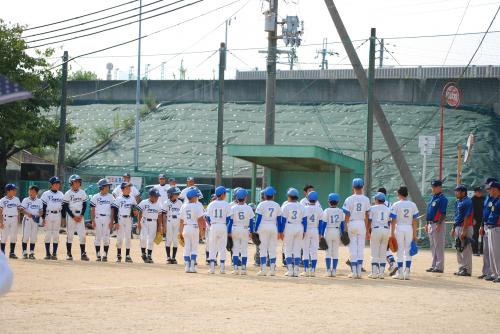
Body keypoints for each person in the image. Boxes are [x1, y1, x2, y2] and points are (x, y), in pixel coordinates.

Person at [342, 178, 370, 279]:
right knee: (360, 248)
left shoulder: (349, 199)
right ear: (362, 187)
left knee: (352, 248)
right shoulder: (366, 199)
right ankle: (359, 272)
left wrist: (345, 226)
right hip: (361, 223)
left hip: (352, 223)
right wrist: (366, 229)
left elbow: (347, 214)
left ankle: (354, 272)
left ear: (353, 187)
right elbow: (367, 215)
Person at [390, 186, 419, 280]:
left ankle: (400, 273)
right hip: (409, 228)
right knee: (408, 250)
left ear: (399, 194)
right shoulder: (413, 205)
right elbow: (415, 221)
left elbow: (393, 220)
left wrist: (392, 233)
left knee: (399, 250)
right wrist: (415, 234)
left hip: (399, 228)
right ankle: (407, 272)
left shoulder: (396, 204)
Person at [255, 186, 282, 276]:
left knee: (263, 248)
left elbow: (258, 219)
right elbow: (279, 220)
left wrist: (255, 229)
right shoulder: (277, 205)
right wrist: (280, 231)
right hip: (273, 227)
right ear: (273, 196)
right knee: (272, 249)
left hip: (263, 226)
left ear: (265, 196)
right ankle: (272, 270)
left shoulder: (261, 204)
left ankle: (263, 270)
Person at [62, 175, 89, 261]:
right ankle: (69, 254)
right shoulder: (68, 193)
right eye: (75, 181)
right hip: (71, 216)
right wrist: (73, 216)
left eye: (78, 181)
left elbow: (84, 205)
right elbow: (65, 206)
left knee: (82, 235)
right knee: (70, 235)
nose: (77, 183)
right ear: (71, 183)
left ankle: (83, 254)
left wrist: (81, 215)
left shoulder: (82, 192)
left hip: (80, 216)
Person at [281, 188, 306, 277]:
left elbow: (283, 220)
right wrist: (305, 230)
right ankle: (296, 270)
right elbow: (305, 220)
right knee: (297, 249)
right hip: (299, 227)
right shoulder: (301, 206)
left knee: (288, 249)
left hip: (289, 227)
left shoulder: (285, 206)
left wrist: (280, 231)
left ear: (289, 196)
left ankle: (290, 270)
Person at [228, 188, 254, 275]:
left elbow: (230, 222)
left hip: (235, 229)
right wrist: (252, 232)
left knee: (235, 249)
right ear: (245, 197)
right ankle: (243, 269)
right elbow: (251, 222)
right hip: (245, 229)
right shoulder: (249, 208)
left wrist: (228, 232)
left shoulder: (233, 208)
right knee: (244, 250)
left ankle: (235, 269)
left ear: (236, 198)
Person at [179, 188, 205, 273]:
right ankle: (193, 267)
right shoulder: (197, 206)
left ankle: (187, 266)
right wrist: (202, 232)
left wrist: (180, 232)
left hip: (186, 228)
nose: (197, 198)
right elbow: (201, 220)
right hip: (194, 228)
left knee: (187, 247)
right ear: (193, 197)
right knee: (194, 247)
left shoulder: (184, 206)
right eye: (196, 197)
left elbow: (181, 221)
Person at [206, 186, 231, 274]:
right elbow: (228, 218)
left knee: (212, 247)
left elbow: (207, 217)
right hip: (223, 225)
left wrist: (211, 224)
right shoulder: (226, 204)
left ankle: (212, 268)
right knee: (222, 247)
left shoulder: (211, 204)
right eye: (225, 193)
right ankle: (222, 268)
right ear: (223, 194)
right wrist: (224, 224)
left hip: (214, 226)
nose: (225, 195)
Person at [425, 179, 448, 274]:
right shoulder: (433, 197)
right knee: (433, 246)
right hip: (431, 224)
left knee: (438, 246)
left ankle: (439, 267)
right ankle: (434, 265)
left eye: (434, 187)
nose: (432, 188)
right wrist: (427, 224)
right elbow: (429, 212)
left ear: (439, 187)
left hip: (438, 224)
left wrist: (439, 224)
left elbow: (443, 213)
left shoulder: (442, 198)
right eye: (432, 187)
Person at [135, 189, 163, 264]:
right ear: (151, 196)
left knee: (151, 240)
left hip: (154, 222)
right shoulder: (144, 202)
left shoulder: (159, 204)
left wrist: (159, 226)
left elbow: (160, 216)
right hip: (144, 221)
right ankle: (143, 253)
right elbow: (139, 212)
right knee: (143, 238)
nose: (157, 198)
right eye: (156, 196)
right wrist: (138, 222)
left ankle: (149, 255)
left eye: (157, 196)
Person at [368, 192, 391, 279]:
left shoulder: (372, 208)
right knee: (383, 252)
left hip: (376, 229)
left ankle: (374, 273)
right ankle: (381, 273)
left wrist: (367, 231)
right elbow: (389, 222)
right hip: (386, 229)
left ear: (377, 200)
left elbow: (369, 220)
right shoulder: (388, 209)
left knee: (374, 252)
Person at [112, 182, 137, 263]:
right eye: (127, 188)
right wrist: (116, 222)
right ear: (122, 189)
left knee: (128, 238)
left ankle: (127, 255)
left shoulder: (132, 198)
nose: (129, 189)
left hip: (129, 219)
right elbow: (115, 211)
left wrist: (135, 212)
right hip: (120, 219)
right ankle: (118, 255)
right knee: (119, 237)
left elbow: (134, 210)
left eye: (129, 188)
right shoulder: (119, 199)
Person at [452, 184, 473, 277]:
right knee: (458, 247)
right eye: (456, 191)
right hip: (458, 226)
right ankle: (461, 268)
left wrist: (464, 231)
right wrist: (453, 228)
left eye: (458, 191)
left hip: (465, 227)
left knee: (466, 249)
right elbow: (457, 216)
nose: (456, 192)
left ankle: (467, 269)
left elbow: (467, 217)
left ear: (463, 192)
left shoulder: (467, 201)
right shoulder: (458, 201)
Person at [321, 193, 344, 277]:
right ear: (338, 202)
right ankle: (334, 270)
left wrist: (321, 234)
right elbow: (342, 224)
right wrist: (342, 233)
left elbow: (324, 223)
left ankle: (328, 271)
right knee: (335, 252)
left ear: (328, 201)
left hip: (328, 231)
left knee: (328, 252)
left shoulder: (326, 210)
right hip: (337, 231)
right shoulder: (340, 211)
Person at [90, 179, 113, 262]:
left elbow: (113, 210)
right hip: (98, 218)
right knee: (98, 237)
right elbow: (92, 210)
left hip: (107, 218)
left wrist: (112, 221)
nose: (108, 187)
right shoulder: (95, 197)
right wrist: (93, 221)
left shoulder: (111, 197)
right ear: (102, 187)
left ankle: (105, 254)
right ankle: (98, 254)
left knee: (106, 237)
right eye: (107, 186)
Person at [41, 177, 64, 260]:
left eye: (58, 183)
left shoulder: (61, 194)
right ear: (51, 184)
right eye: (55, 183)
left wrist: (63, 218)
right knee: (48, 234)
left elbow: (63, 207)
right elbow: (43, 206)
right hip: (48, 215)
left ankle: (54, 253)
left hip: (58, 214)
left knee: (56, 234)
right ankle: (47, 253)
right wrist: (43, 218)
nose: (57, 185)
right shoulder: (46, 194)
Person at [302, 191, 323, 277]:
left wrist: (303, 231)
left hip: (307, 230)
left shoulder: (305, 208)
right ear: (316, 199)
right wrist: (320, 233)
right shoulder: (319, 208)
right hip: (315, 230)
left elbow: (304, 221)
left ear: (308, 199)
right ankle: (313, 270)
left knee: (305, 250)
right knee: (314, 251)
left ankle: (306, 270)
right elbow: (321, 222)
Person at [480, 178, 497, 280]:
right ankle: (487, 272)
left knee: (493, 251)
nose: (487, 188)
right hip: (486, 224)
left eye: (489, 187)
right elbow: (484, 212)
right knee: (486, 250)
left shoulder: (496, 198)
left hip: (494, 225)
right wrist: (482, 226)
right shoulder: (487, 198)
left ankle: (493, 273)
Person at [20, 185, 43, 260]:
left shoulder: (39, 201)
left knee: (33, 237)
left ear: (36, 193)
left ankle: (32, 252)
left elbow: (41, 211)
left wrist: (40, 214)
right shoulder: (26, 200)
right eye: (30, 191)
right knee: (26, 236)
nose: (31, 193)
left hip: (35, 220)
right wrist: (27, 213)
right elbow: (22, 210)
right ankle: (24, 252)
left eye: (33, 192)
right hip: (27, 219)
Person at [484, 181, 500, 283]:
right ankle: (495, 274)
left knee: (497, 253)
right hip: (490, 227)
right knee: (492, 253)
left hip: (497, 228)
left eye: (490, 188)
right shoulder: (494, 200)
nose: (489, 190)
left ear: (495, 189)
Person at [0, 184, 21, 258]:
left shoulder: (16, 199)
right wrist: (1, 222)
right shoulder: (3, 200)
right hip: (6, 219)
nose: (15, 191)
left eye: (15, 190)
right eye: (13, 190)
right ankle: (2, 253)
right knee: (4, 236)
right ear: (8, 191)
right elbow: (0, 212)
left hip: (14, 219)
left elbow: (18, 210)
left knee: (13, 236)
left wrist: (18, 220)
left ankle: (12, 253)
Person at [163, 186, 182, 264]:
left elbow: (182, 215)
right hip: (169, 220)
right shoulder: (166, 202)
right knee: (168, 239)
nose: (177, 195)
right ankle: (168, 257)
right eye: (175, 194)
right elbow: (164, 214)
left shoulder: (180, 202)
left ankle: (173, 257)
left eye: (178, 194)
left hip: (177, 221)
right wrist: (164, 225)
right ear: (170, 194)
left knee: (175, 240)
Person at [471, 186, 485, 256]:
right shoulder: (472, 199)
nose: (480, 193)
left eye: (481, 191)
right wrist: (472, 219)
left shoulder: (484, 198)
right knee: (475, 235)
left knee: (483, 235)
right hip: (475, 220)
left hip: (483, 220)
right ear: (475, 192)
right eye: (479, 191)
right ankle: (475, 251)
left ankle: (482, 251)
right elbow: (471, 211)